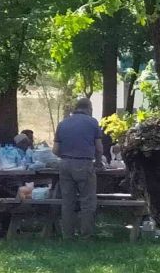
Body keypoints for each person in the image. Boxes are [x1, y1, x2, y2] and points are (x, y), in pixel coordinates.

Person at [53, 98, 103, 238]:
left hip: (65, 164)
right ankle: (86, 235)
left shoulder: (62, 124)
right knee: (87, 201)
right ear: (89, 109)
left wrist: (67, 156)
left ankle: (68, 235)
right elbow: (99, 148)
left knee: (67, 202)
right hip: (84, 163)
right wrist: (98, 162)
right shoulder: (92, 122)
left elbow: (55, 150)